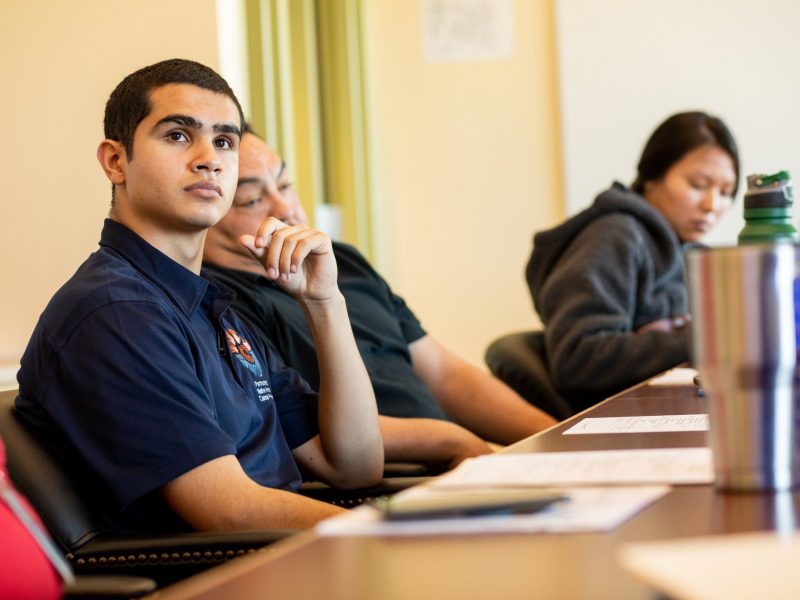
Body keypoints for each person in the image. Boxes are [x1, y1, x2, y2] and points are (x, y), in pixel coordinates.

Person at [15, 58, 387, 534]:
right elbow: (229, 510)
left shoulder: (209, 306)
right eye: (177, 135)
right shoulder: (117, 311)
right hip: (218, 573)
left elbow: (353, 465)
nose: (208, 157)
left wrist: (324, 303)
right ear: (115, 161)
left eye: (224, 141)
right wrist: (388, 538)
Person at [203, 130, 558, 446]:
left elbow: (445, 375)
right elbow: (301, 428)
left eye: (284, 185)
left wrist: (556, 436)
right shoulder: (222, 303)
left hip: (453, 456)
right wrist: (453, 440)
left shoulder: (342, 259)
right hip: (391, 476)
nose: (287, 209)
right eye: (252, 200)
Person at [526, 111, 739, 407]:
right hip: (619, 423)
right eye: (698, 185)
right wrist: (706, 335)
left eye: (726, 192)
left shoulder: (689, 251)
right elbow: (577, 358)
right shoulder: (615, 237)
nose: (713, 205)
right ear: (652, 176)